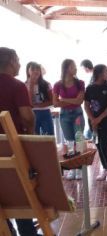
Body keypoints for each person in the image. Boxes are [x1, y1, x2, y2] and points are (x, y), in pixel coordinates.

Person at [0, 47, 40, 236]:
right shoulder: (16, 85)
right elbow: (27, 116)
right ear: (9, 62)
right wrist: (30, 135)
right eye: (17, 60)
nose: (20, 63)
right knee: (21, 196)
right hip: (12, 147)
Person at [53, 59, 85, 180]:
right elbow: (55, 103)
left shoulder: (80, 83)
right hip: (65, 115)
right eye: (73, 67)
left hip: (77, 114)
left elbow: (79, 101)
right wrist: (72, 100)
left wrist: (64, 100)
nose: (75, 69)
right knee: (70, 142)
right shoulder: (57, 84)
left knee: (79, 140)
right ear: (66, 69)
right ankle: (72, 168)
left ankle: (80, 168)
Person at [84, 64, 107, 182]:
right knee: (98, 144)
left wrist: (99, 119)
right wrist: (92, 119)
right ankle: (104, 168)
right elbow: (86, 105)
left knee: (105, 145)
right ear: (98, 74)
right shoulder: (90, 88)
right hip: (93, 122)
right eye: (105, 72)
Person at [25, 61, 54, 135]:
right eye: (33, 69)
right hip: (31, 113)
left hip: (45, 112)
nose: (35, 71)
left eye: (37, 69)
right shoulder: (24, 85)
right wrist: (31, 84)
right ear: (28, 71)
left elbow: (53, 101)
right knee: (34, 138)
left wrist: (39, 105)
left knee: (49, 136)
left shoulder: (46, 84)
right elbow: (30, 102)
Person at [80, 59, 94, 140]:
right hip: (90, 102)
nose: (83, 70)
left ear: (86, 67)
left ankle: (89, 136)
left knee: (90, 118)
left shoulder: (94, 75)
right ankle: (89, 135)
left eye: (83, 68)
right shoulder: (92, 75)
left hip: (92, 102)